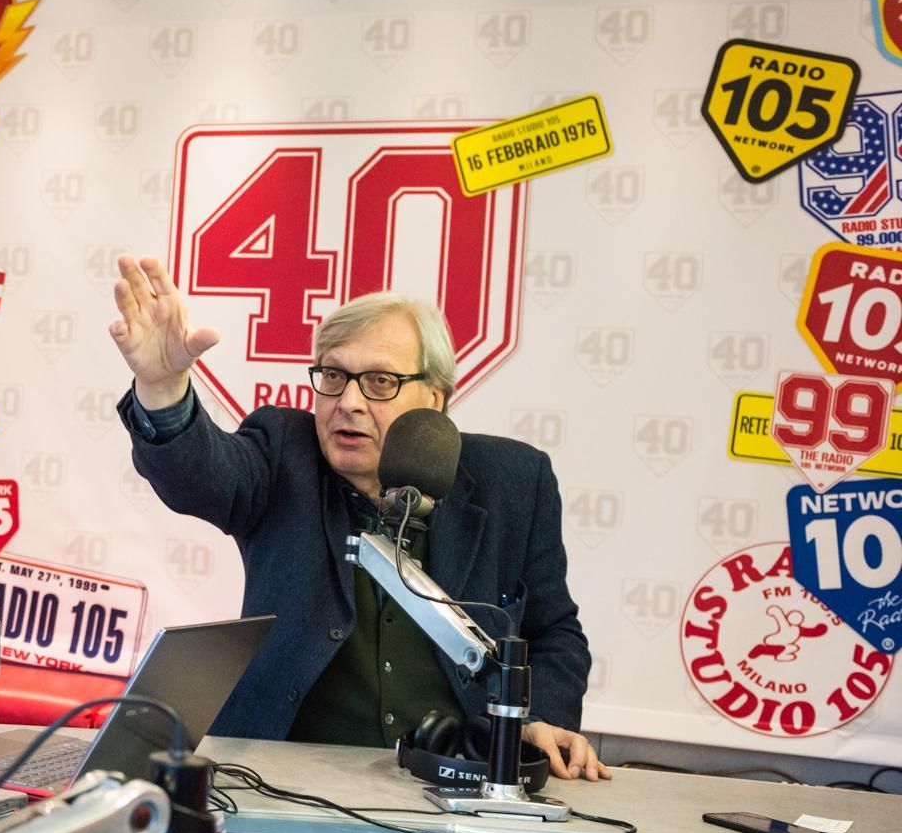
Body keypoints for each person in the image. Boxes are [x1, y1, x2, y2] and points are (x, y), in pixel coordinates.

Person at [108, 253, 605, 781]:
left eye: (381, 381)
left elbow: (554, 632)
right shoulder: (283, 451)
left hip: (456, 780)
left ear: (435, 398)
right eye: (333, 375)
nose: (348, 401)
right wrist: (163, 391)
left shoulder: (514, 481)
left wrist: (539, 719)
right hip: (282, 782)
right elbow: (200, 474)